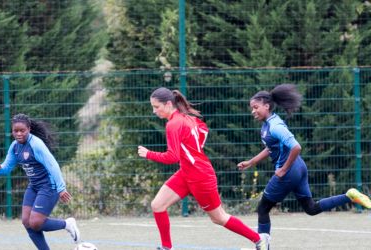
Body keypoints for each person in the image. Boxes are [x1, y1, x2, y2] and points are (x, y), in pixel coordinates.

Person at [138, 87, 270, 250]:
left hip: (199, 176)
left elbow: (173, 157)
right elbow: (202, 131)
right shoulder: (186, 118)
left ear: (167, 104)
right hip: (187, 172)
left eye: (156, 107)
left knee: (219, 218)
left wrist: (148, 153)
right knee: (157, 205)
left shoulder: (173, 124)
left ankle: (259, 240)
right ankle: (167, 248)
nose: (154, 111)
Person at [237, 83, 371, 241]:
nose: (253, 111)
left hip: (289, 171)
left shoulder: (275, 126)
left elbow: (296, 147)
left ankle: (262, 246)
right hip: (298, 168)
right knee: (311, 208)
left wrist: (283, 170)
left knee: (263, 209)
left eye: (256, 107)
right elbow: (270, 148)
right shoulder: (268, 124)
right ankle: (349, 196)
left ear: (266, 106)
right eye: (252, 108)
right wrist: (251, 162)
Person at [0, 113, 80, 250]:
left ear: (29, 129)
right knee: (26, 221)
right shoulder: (14, 147)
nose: (19, 134)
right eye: (15, 131)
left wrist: (61, 188)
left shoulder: (36, 145)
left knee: (36, 222)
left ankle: (67, 224)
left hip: (49, 186)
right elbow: (6, 168)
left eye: (22, 130)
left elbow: (53, 165)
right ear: (12, 131)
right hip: (34, 186)